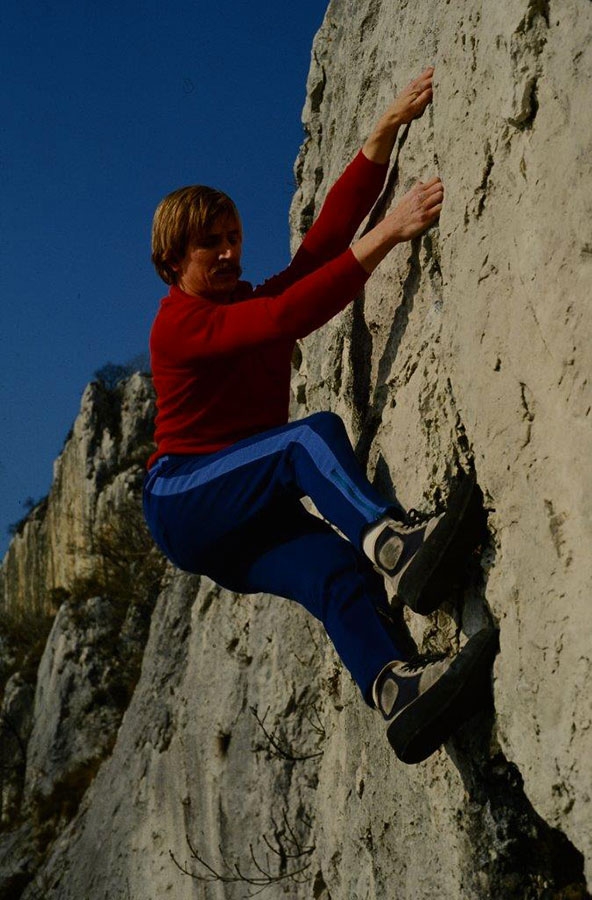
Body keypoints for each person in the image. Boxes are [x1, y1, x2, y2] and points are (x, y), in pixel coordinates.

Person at [143, 67, 497, 765]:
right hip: (185, 496)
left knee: (334, 572)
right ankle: (393, 540)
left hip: (241, 516)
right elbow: (289, 314)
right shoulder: (178, 324)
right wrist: (393, 232)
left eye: (234, 236)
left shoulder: (241, 302)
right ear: (173, 259)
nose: (229, 252)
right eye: (210, 243)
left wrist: (382, 134)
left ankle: (398, 689)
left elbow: (325, 243)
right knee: (309, 437)